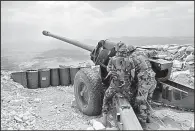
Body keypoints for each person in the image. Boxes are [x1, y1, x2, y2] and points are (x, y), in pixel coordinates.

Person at [100, 42, 135, 127]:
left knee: (106, 98)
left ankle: (104, 118)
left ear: (117, 49)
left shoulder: (113, 59)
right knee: (130, 98)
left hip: (114, 86)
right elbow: (133, 72)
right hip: (126, 87)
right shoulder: (130, 60)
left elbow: (108, 70)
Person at [127, 45, 157, 128]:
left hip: (144, 81)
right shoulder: (143, 52)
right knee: (148, 99)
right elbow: (154, 52)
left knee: (141, 102)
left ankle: (143, 123)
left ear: (128, 52)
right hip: (152, 79)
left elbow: (132, 73)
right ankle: (148, 118)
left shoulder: (131, 58)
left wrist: (132, 81)